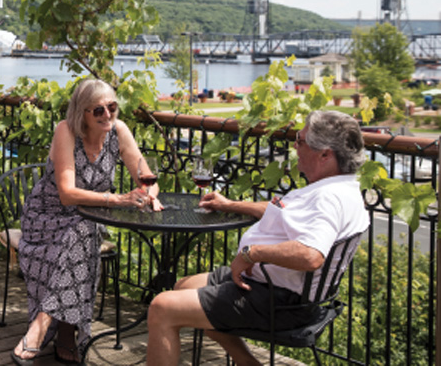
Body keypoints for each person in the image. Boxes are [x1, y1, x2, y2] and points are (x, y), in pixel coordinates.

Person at [145, 110, 370, 366]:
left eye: (300, 141)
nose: (295, 147)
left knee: (162, 307)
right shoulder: (340, 188)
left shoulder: (328, 198)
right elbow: (284, 214)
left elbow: (310, 255)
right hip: (272, 286)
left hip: (280, 301)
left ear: (325, 154)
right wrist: (230, 205)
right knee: (183, 287)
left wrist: (250, 254)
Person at [11, 78, 162, 366]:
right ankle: (59, 333)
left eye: (112, 107)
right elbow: (67, 195)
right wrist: (118, 199)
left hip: (88, 218)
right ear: (82, 113)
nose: (108, 115)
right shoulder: (66, 131)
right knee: (82, 235)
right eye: (99, 110)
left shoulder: (119, 131)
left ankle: (43, 329)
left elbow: (146, 176)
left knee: (82, 232)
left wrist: (151, 196)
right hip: (47, 217)